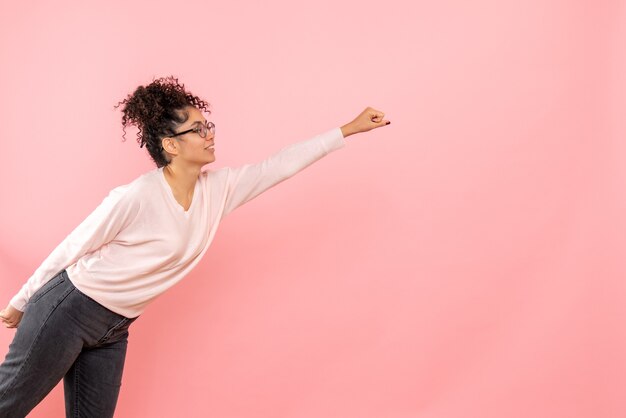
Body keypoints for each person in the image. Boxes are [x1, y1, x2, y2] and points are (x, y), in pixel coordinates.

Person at [0, 75, 390, 417]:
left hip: (114, 329)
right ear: (171, 145)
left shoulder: (217, 191)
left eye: (209, 126)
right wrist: (22, 300)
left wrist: (347, 130)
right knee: (8, 403)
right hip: (68, 309)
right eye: (199, 129)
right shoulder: (138, 195)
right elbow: (76, 245)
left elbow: (278, 165)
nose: (210, 134)